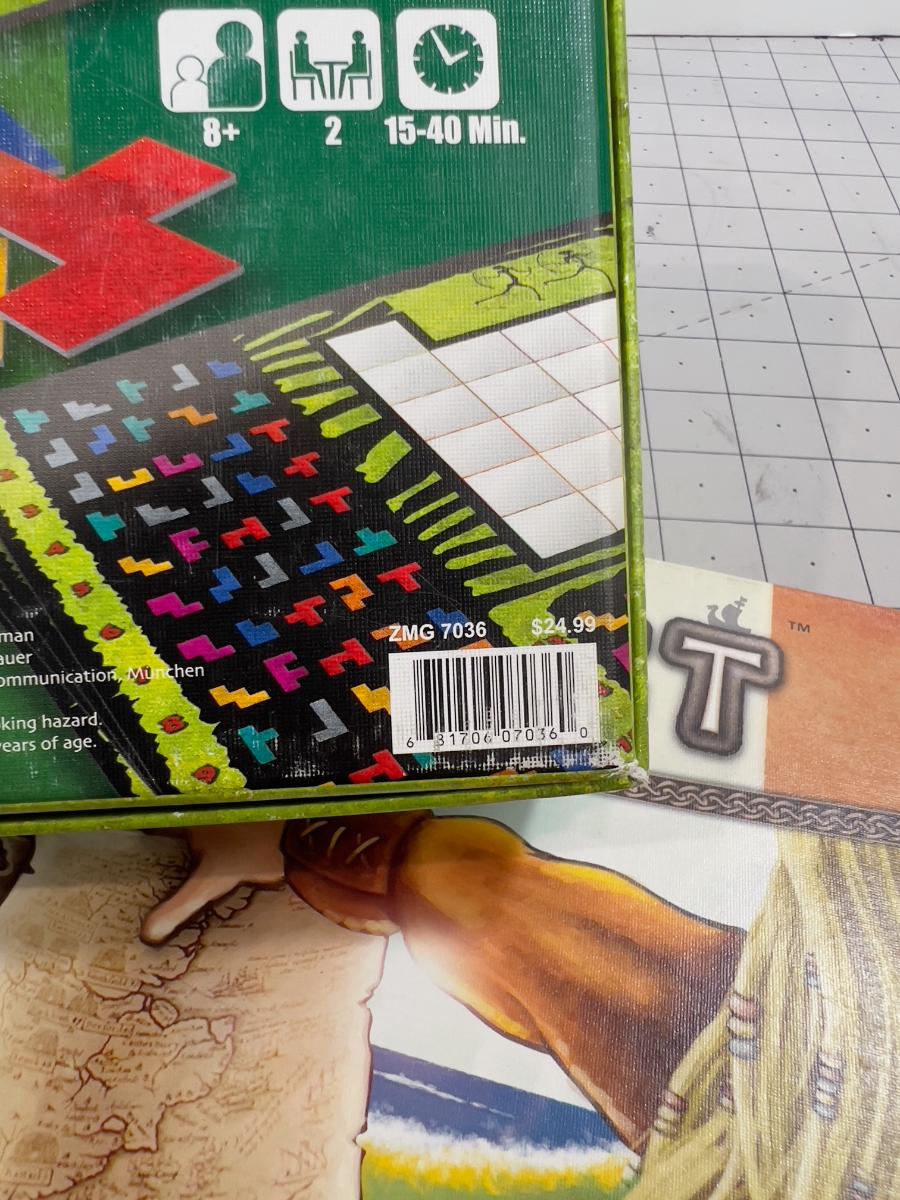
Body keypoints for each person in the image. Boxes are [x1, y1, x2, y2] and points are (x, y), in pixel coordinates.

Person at [207, 20, 262, 109]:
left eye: (239, 41)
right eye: (228, 41)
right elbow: (214, 100)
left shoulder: (255, 67)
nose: (234, 45)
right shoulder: (216, 68)